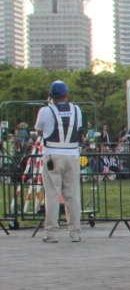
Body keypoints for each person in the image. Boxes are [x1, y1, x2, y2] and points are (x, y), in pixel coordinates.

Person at [34, 80, 85, 243]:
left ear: (50, 95)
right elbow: (78, 129)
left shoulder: (45, 111)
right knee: (72, 194)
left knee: (52, 194)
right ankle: (75, 231)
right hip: (72, 154)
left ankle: (51, 232)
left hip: (52, 154)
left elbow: (39, 131)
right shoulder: (76, 110)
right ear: (66, 95)